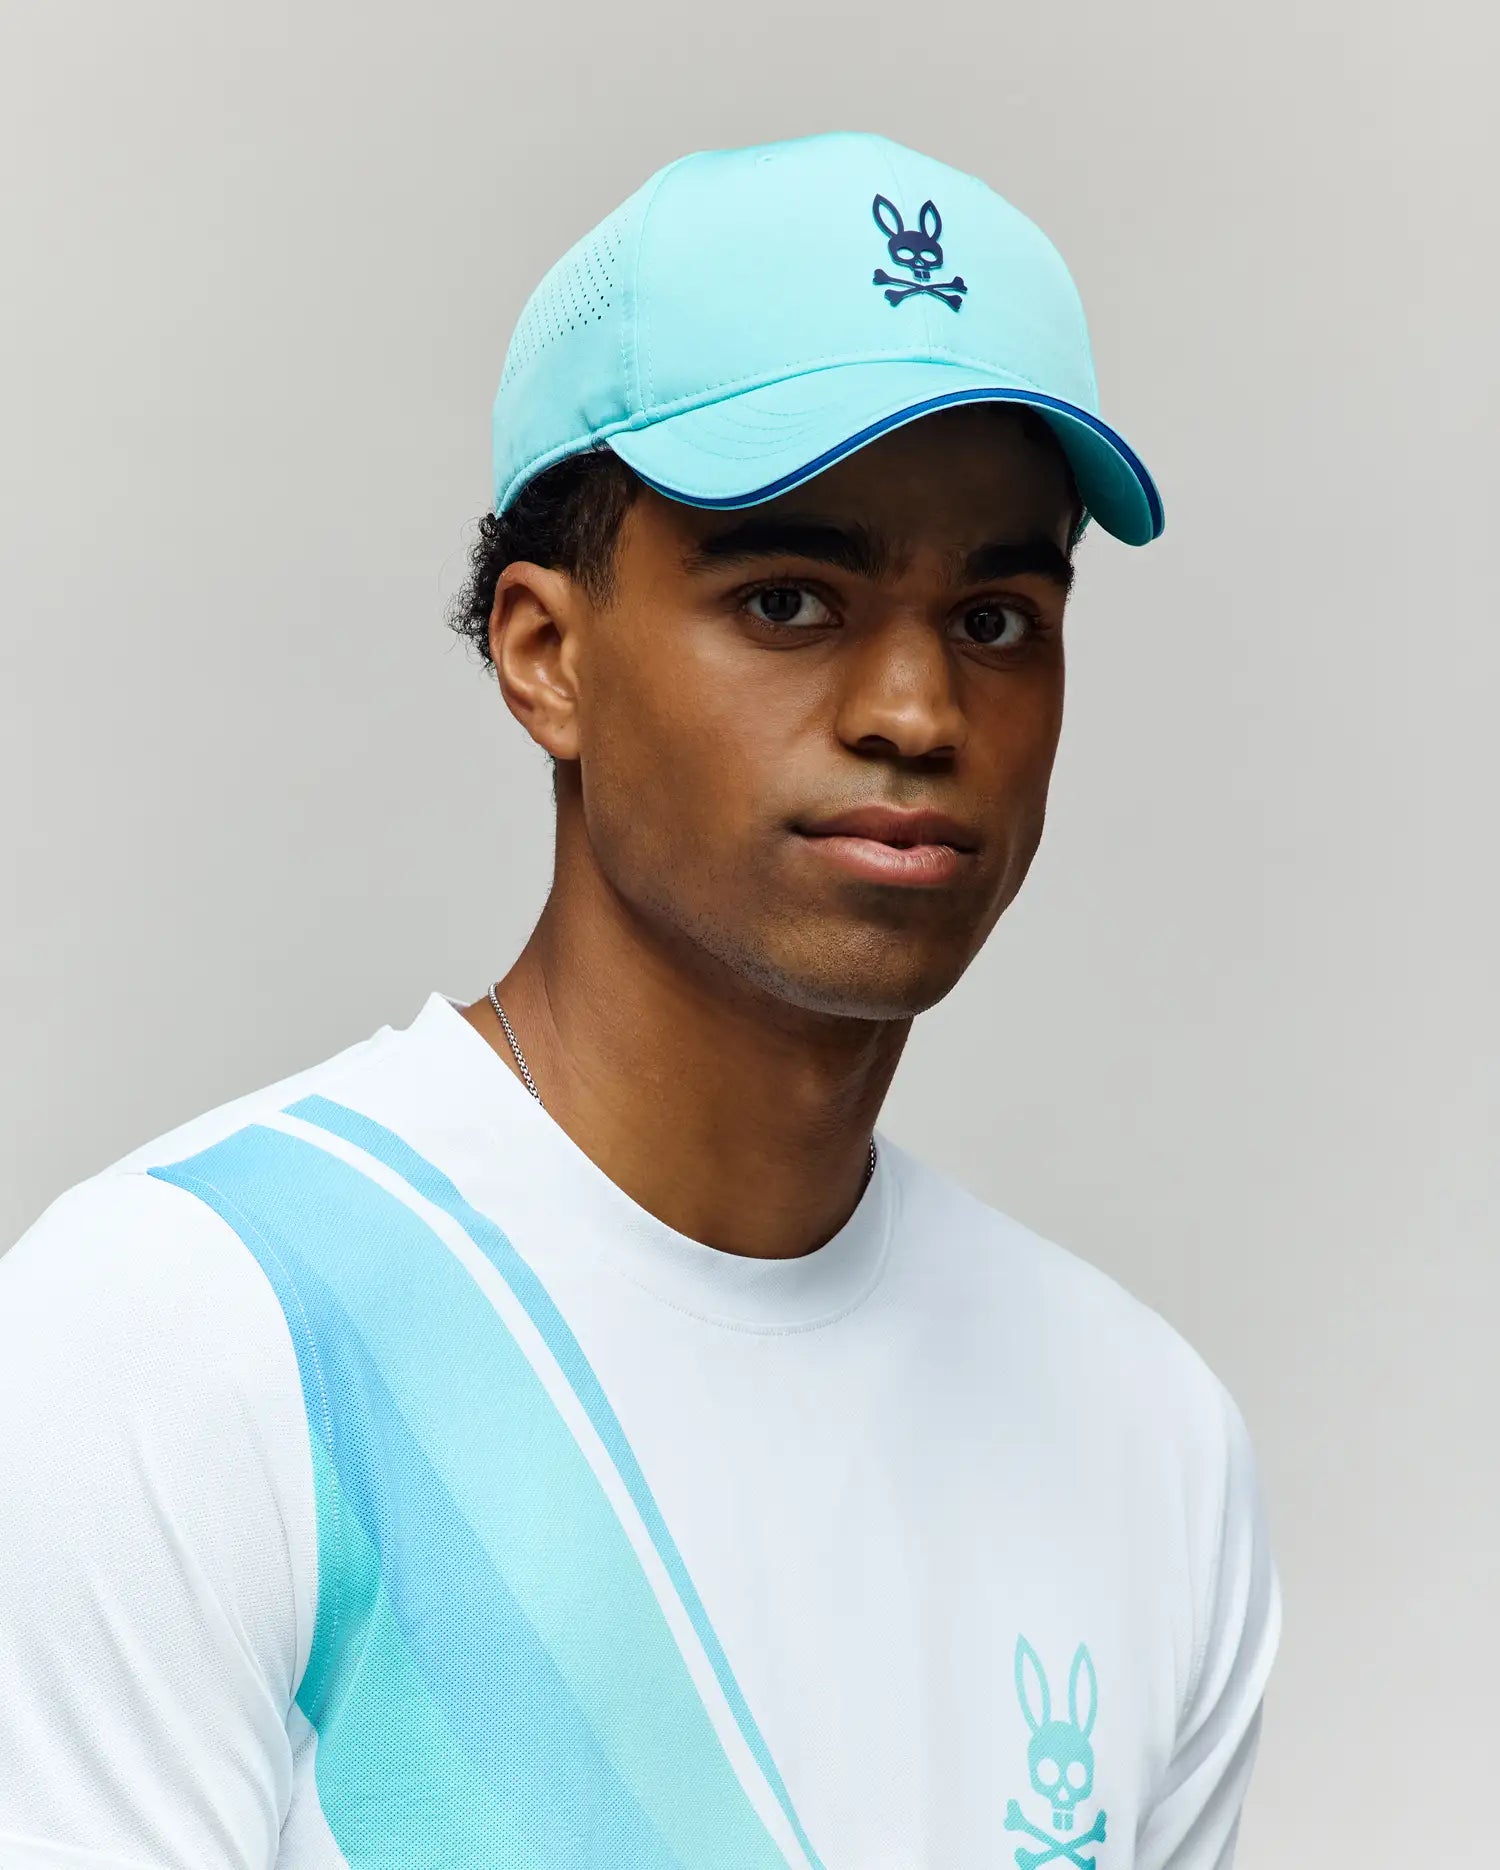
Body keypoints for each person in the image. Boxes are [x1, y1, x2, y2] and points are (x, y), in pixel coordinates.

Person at [0, 131, 1280, 1869]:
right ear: (545, 653)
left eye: (994, 615)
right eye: (789, 597)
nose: (916, 709)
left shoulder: (1148, 1440)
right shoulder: (188, 1338)